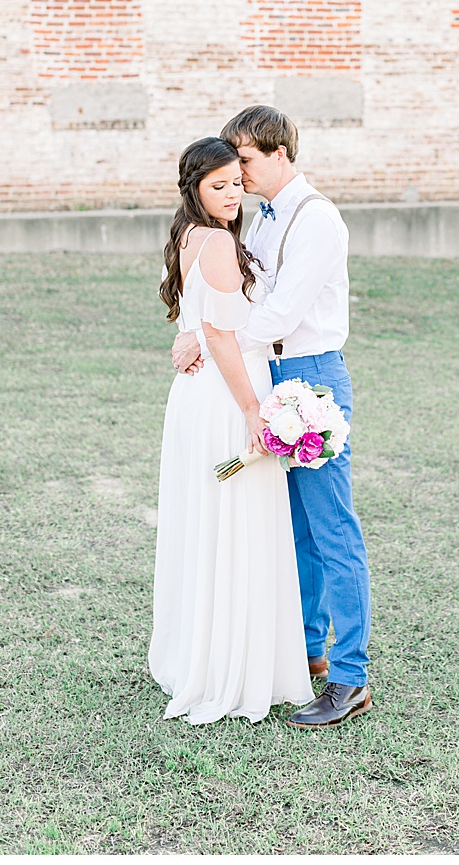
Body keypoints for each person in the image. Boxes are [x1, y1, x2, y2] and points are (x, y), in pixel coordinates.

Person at [171, 105, 371, 728]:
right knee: (293, 528)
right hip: (264, 375)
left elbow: (279, 313)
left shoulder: (317, 220)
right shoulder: (257, 219)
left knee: (331, 526)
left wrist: (208, 339)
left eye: (247, 161)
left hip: (310, 373)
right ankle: (308, 651)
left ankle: (351, 676)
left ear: (279, 152)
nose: (240, 174)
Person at [149, 137, 311, 723]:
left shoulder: (193, 237)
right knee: (237, 521)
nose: (231, 195)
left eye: (236, 183)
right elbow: (219, 337)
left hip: (198, 396)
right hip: (225, 396)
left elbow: (204, 327)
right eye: (218, 186)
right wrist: (252, 411)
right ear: (195, 189)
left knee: (212, 523)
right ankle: (232, 670)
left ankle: (207, 654)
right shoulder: (216, 241)